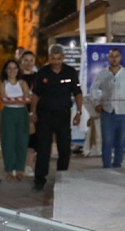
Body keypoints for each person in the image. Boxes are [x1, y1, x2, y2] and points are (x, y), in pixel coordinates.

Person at [30, 44, 83, 192]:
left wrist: (78, 112)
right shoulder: (42, 73)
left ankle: (61, 178)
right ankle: (39, 180)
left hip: (63, 115)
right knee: (43, 150)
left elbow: (77, 93)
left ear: (63, 58)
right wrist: (32, 112)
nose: (56, 62)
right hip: (44, 115)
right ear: (49, 58)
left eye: (58, 59)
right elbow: (35, 94)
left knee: (64, 149)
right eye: (53, 59)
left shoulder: (70, 72)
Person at [90, 48, 125, 169]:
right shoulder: (103, 73)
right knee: (107, 141)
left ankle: (117, 164)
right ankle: (106, 165)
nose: (114, 58)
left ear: (121, 58)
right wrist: (96, 103)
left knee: (121, 141)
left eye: (116, 56)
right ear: (108, 58)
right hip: (108, 111)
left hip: (124, 111)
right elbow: (94, 89)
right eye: (112, 56)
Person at [0, 59, 31, 180]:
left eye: (14, 68)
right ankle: (9, 170)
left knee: (22, 140)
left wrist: (16, 99)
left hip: (21, 113)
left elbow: (27, 98)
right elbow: (3, 99)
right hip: (8, 113)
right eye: (9, 68)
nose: (12, 71)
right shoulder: (2, 83)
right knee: (8, 141)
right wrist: (19, 99)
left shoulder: (22, 83)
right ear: (6, 70)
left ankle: (20, 169)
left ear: (18, 70)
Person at [19, 51, 38, 177]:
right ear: (21, 62)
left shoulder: (38, 77)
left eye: (31, 60)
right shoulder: (17, 77)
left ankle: (29, 166)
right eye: (26, 60)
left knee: (33, 140)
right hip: (20, 111)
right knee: (20, 140)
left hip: (34, 112)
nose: (29, 63)